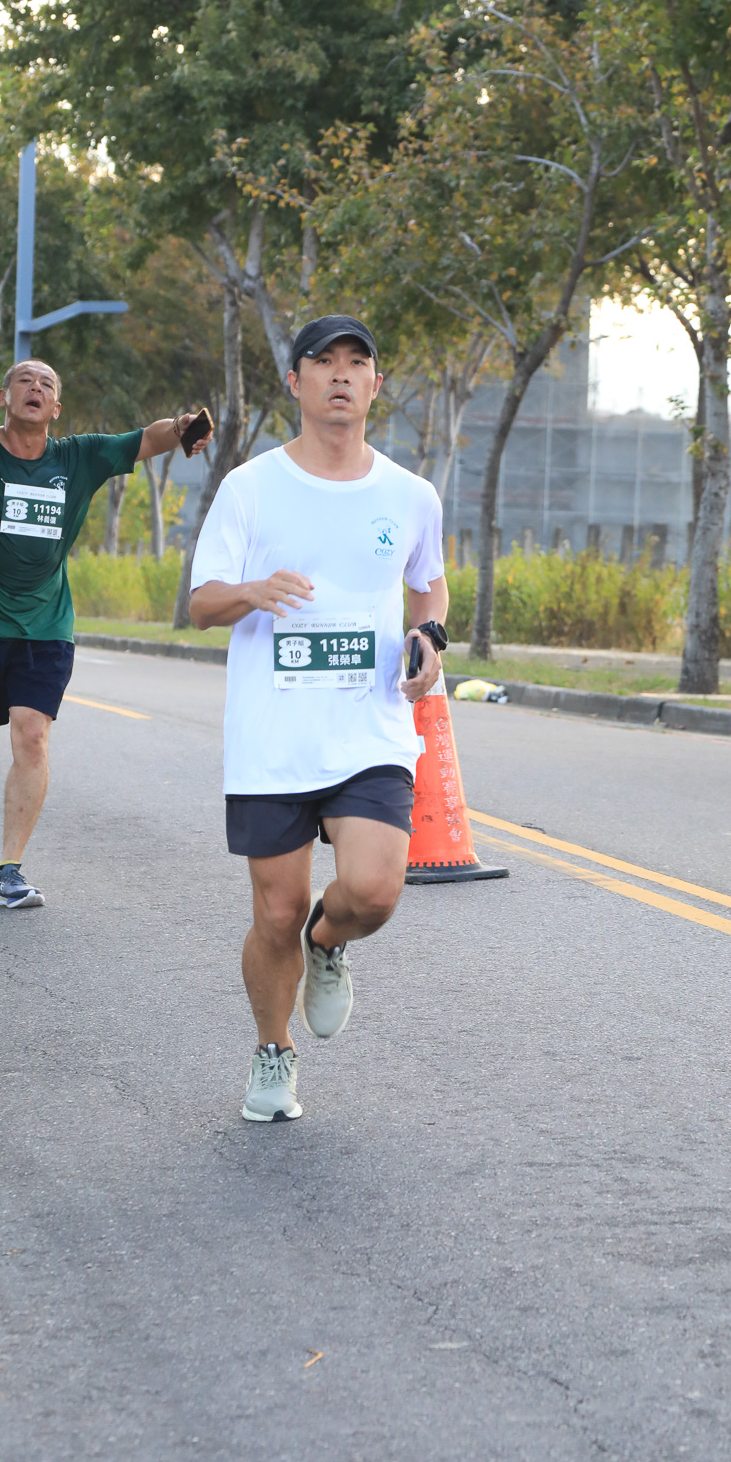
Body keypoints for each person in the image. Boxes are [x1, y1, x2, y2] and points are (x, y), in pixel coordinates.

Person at [0, 290, 211, 909]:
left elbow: (145, 439)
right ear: (5, 396)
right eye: (24, 379)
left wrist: (181, 428)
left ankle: (9, 869)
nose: (34, 387)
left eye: (45, 383)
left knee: (32, 736)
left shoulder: (77, 457)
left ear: (56, 406)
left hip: (44, 625)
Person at [189, 314, 449, 1121]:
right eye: (323, 361)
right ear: (295, 381)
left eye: (356, 363)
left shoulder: (410, 496)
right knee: (275, 913)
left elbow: (428, 585)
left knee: (372, 891)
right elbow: (201, 604)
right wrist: (252, 591)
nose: (340, 374)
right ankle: (273, 1052)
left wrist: (429, 638)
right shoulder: (251, 488)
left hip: (370, 728)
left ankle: (327, 941)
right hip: (273, 739)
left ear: (375, 384)